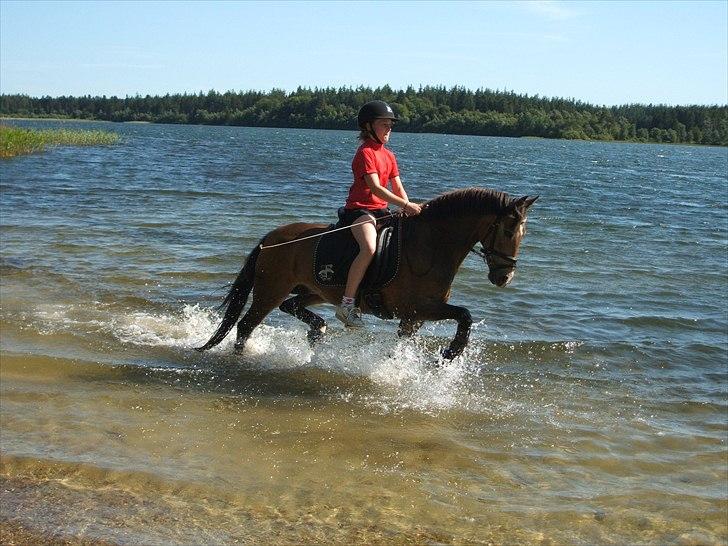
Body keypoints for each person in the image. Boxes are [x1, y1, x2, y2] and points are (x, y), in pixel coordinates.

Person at [335, 100, 422, 328]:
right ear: (368, 127)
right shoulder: (365, 153)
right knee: (370, 248)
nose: (388, 129)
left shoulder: (389, 156)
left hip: (382, 211)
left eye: (390, 125)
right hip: (360, 210)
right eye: (384, 125)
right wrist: (404, 204)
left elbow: (397, 187)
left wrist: (410, 206)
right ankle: (346, 304)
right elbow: (375, 188)